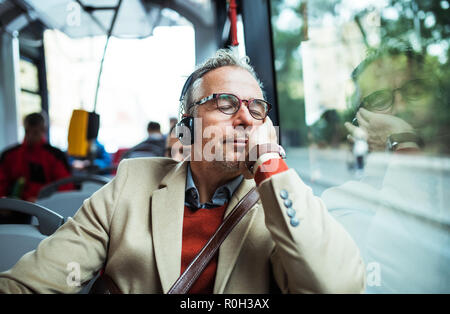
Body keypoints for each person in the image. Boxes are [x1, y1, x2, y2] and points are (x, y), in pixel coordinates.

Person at [0, 49, 364, 294]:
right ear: (187, 129)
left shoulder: (281, 198)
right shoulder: (130, 184)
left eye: (257, 108)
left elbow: (336, 286)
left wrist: (269, 161)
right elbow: (30, 284)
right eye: (226, 103)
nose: (245, 118)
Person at [322, 45, 450, 293]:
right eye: (380, 99)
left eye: (414, 90)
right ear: (362, 121)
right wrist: (403, 142)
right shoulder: (341, 203)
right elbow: (402, 282)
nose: (400, 106)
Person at [0, 112, 73, 221]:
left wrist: (41, 201)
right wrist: (4, 202)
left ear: (43, 130)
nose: (30, 136)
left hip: (46, 209)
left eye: (35, 132)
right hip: (13, 210)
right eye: (27, 132)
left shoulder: (55, 155)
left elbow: (66, 187)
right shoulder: (9, 154)